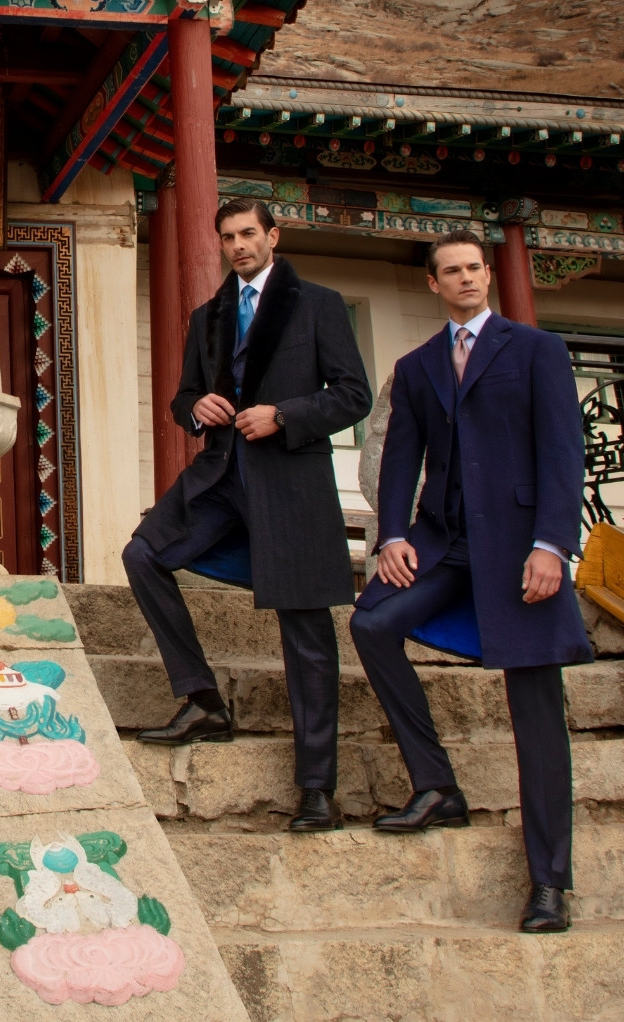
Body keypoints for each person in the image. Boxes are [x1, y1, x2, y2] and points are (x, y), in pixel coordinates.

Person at [350, 229, 591, 933]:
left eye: (474, 268)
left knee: (536, 713)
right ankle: (436, 785)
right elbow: (401, 457)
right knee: (372, 623)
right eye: (451, 271)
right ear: (434, 283)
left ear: (488, 274)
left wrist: (552, 545)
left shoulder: (536, 350)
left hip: (520, 550)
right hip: (444, 544)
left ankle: (549, 883)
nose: (466, 279)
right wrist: (393, 534)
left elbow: (563, 452)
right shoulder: (418, 365)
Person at [122, 197, 372, 832]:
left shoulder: (318, 304)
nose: (238, 245)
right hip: (220, 475)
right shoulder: (208, 315)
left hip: (290, 481)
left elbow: (353, 395)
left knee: (306, 631)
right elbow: (183, 396)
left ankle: (317, 788)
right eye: (228, 236)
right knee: (142, 553)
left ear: (272, 236)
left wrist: (284, 414)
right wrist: (194, 408)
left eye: (248, 234)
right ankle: (202, 699)